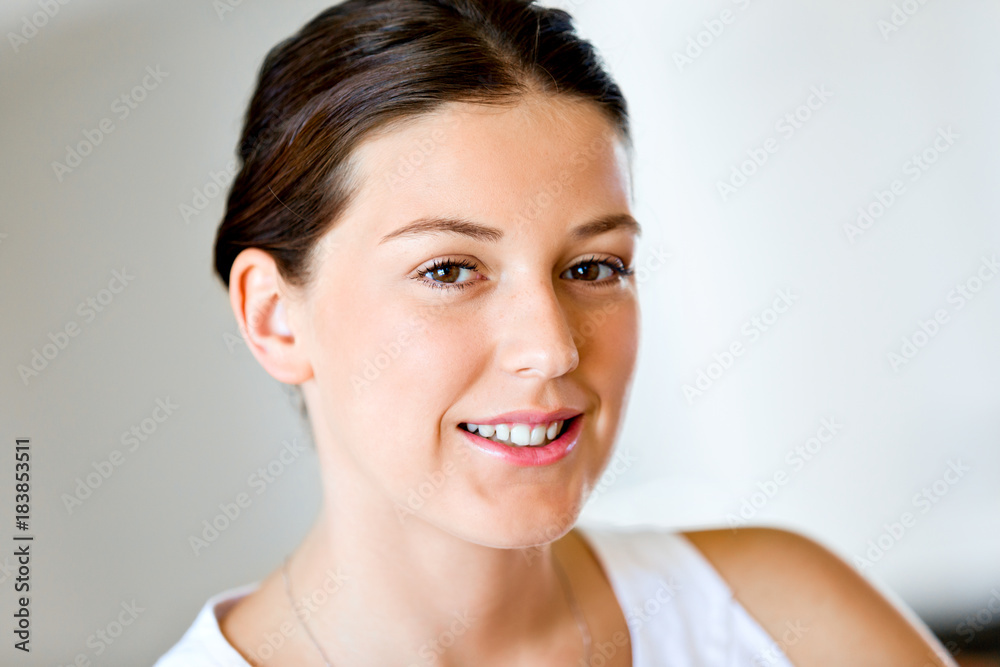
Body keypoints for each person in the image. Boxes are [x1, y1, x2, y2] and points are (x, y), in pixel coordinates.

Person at [156, 0, 958, 664]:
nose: (552, 348)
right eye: (449, 270)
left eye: (593, 267)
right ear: (274, 317)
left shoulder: (782, 620)